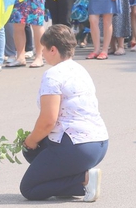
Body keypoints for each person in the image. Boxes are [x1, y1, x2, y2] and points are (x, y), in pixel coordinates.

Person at [18, 25, 108, 202]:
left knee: (29, 188)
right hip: (99, 143)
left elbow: (48, 121)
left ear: (53, 49)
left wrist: (30, 140)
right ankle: (80, 177)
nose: (42, 52)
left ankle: (83, 180)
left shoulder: (53, 75)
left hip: (77, 146)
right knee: (33, 151)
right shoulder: (80, 69)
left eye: (44, 48)